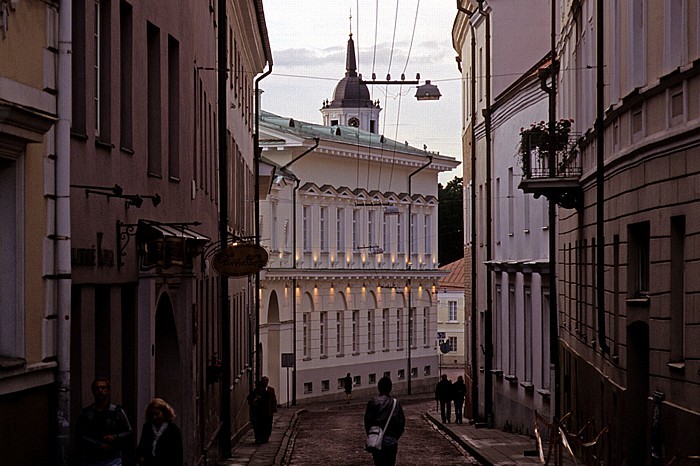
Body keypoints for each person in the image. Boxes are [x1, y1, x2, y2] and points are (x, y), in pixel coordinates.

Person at [76, 377, 133, 466]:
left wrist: (115, 437)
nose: (100, 390)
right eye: (97, 388)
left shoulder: (117, 412)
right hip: (91, 459)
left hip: (113, 458)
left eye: (103, 388)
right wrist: (98, 445)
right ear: (93, 391)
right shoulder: (86, 414)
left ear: (108, 391)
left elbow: (128, 431)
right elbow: (80, 435)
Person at [364, 377, 405, 466]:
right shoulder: (395, 403)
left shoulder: (372, 402)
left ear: (379, 388)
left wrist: (372, 435)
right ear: (390, 388)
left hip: (376, 441)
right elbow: (401, 423)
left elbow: (367, 422)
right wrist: (395, 437)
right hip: (391, 442)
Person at [136, 398, 183, 466]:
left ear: (164, 412)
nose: (154, 417)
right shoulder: (147, 428)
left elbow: (178, 455)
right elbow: (141, 447)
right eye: (152, 414)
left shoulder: (173, 430)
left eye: (157, 414)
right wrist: (141, 458)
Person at [261, 376, 278, 441]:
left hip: (269, 410)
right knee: (262, 424)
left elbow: (274, 399)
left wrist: (274, 408)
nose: (265, 383)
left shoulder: (271, 389)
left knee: (269, 424)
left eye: (266, 381)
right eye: (264, 381)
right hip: (262, 411)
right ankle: (262, 436)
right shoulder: (260, 390)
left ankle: (267, 436)